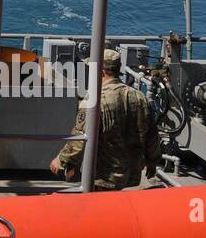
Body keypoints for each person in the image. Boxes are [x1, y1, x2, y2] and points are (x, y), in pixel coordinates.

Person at [49, 49, 161, 190]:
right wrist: (152, 162)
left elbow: (79, 140)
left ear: (101, 72)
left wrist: (61, 160)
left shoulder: (94, 100)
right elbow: (152, 137)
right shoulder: (139, 97)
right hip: (131, 177)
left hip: (103, 178)